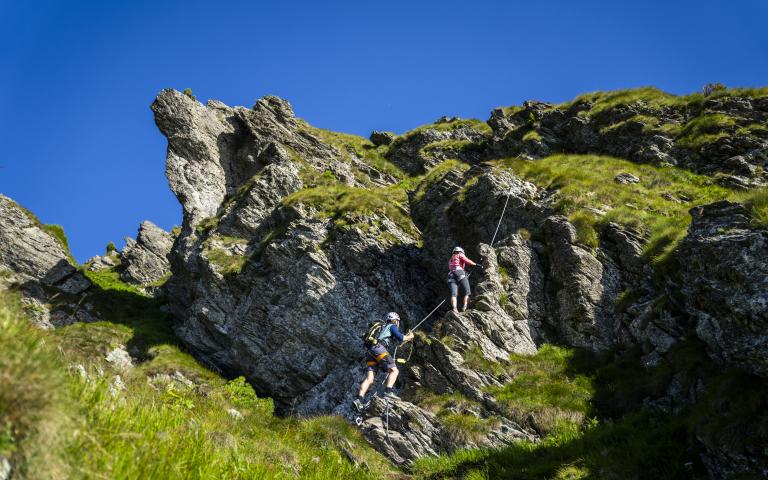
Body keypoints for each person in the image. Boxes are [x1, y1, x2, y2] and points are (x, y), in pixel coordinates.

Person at [353, 312, 414, 412]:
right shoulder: (392, 326)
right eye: (398, 321)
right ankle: (388, 392)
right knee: (394, 371)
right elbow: (401, 337)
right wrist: (410, 337)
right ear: (396, 320)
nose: (398, 323)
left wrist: (405, 338)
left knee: (370, 379)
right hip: (379, 349)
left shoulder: (383, 327)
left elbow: (400, 340)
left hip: (370, 353)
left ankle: (359, 400)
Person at [448, 246, 479, 313]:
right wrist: (476, 264)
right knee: (467, 292)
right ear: (461, 251)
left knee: (454, 294)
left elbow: (454, 267)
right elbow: (467, 261)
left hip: (451, 276)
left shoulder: (451, 260)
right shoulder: (460, 254)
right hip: (460, 273)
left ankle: (455, 309)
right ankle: (465, 307)